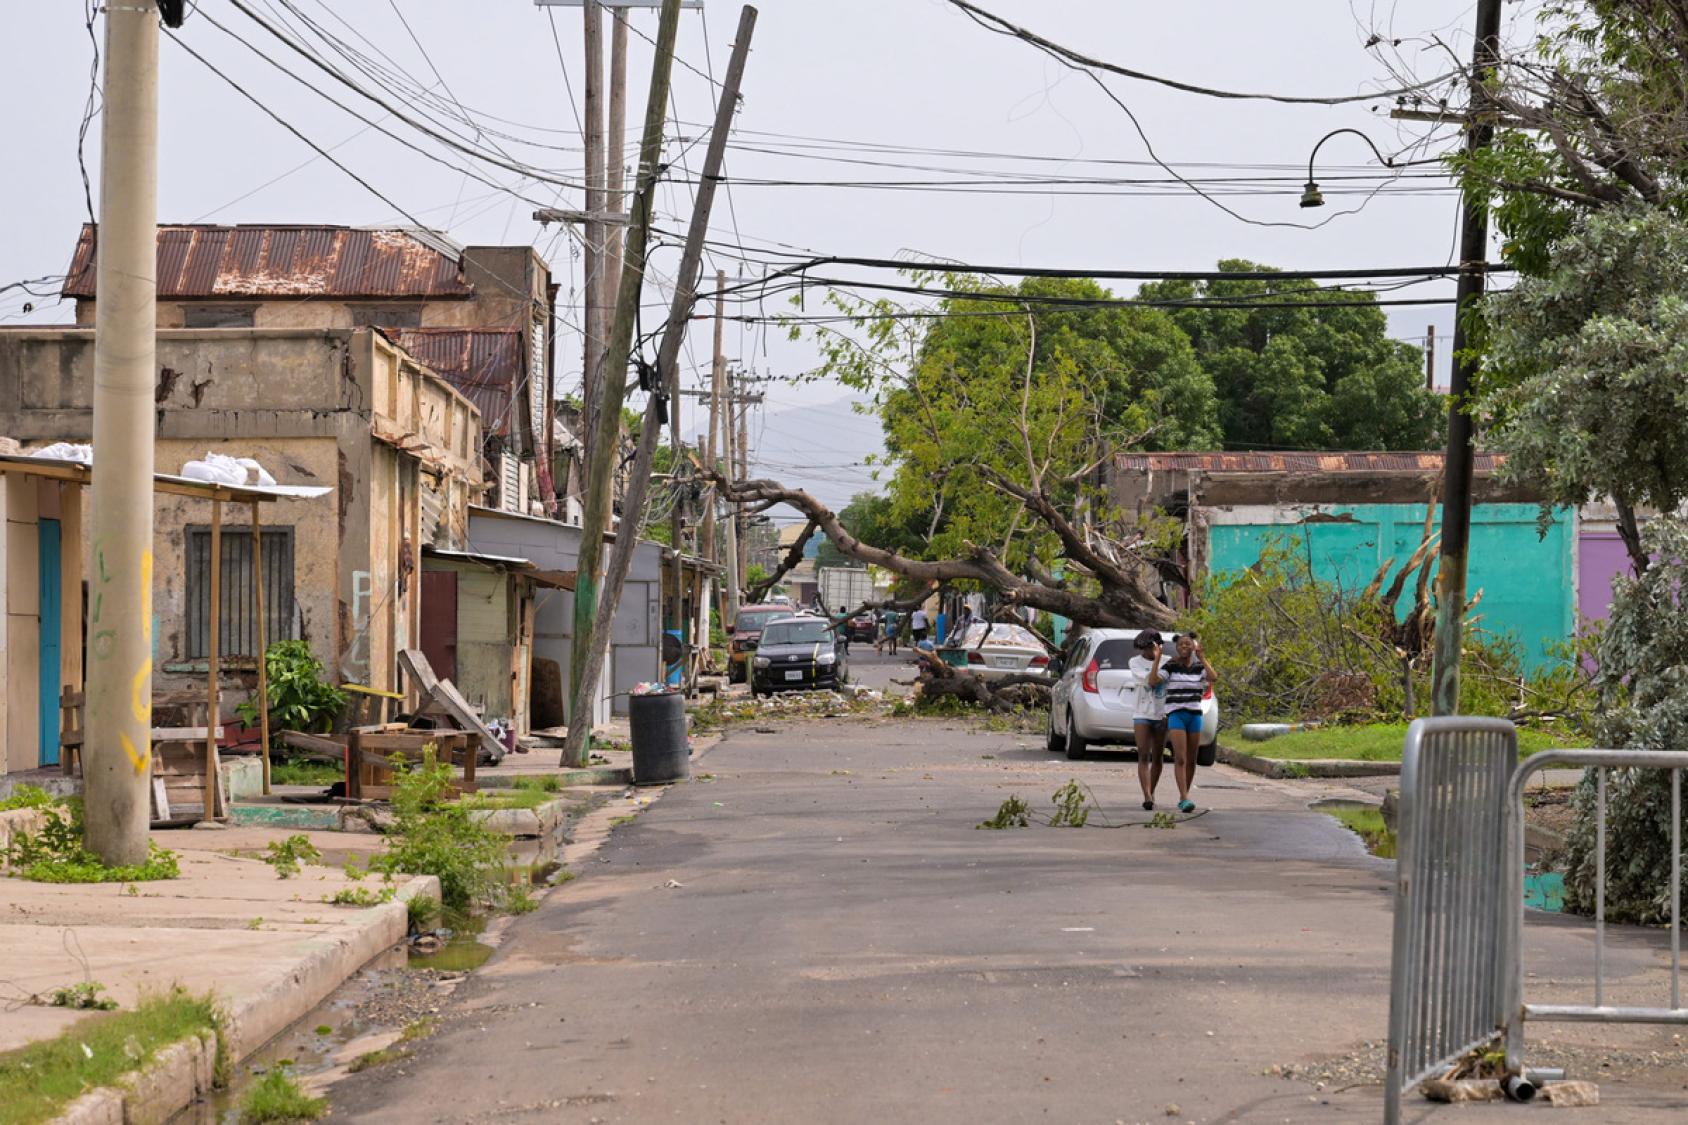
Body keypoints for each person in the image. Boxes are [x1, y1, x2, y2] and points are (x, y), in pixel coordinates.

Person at [1149, 632, 1216, 814]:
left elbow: (1213, 677)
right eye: (1181, 645)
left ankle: (1184, 794)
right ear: (1177, 647)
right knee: (1180, 757)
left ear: (1193, 646)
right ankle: (1184, 797)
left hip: (1194, 715)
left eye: (1188, 644)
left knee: (1192, 759)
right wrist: (1157, 660)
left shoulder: (1198, 666)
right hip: (1176, 714)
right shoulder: (1171, 665)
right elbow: (1153, 681)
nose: (1184, 647)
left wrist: (1202, 658)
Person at [1129, 630, 1168, 811]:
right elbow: (1151, 681)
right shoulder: (1135, 662)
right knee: (1143, 754)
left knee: (1158, 756)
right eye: (1144, 648)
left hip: (1162, 713)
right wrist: (1157, 661)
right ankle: (1146, 795)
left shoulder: (1169, 661)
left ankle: (1151, 792)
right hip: (1142, 713)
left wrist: (1159, 658)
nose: (1147, 652)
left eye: (1150, 647)